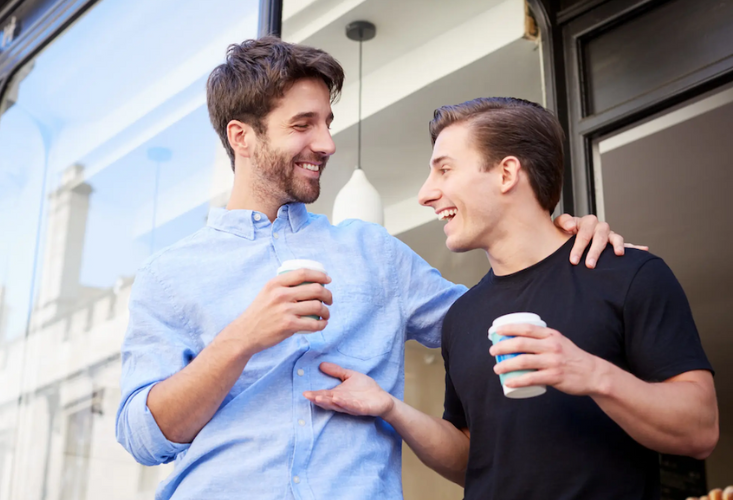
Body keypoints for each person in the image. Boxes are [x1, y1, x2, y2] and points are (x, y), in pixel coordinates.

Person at [116, 38, 628, 500]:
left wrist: (552, 234)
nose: (327, 144)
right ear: (241, 136)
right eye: (302, 125)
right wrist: (242, 338)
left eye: (326, 123)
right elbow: (144, 438)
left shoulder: (373, 254)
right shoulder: (169, 275)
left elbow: (494, 320)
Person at [304, 97, 719, 500]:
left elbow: (700, 431)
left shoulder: (628, 276)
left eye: (444, 170)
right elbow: (474, 460)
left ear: (506, 174)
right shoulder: (463, 317)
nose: (426, 193)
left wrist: (591, 373)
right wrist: (391, 408)